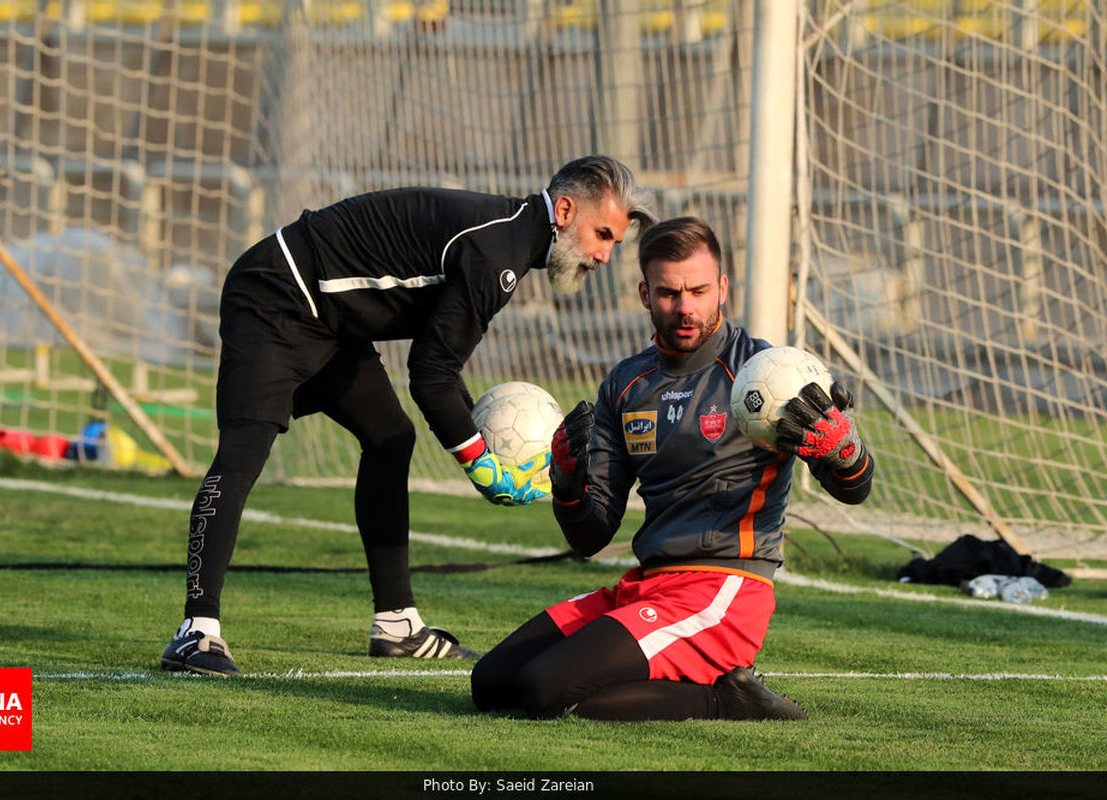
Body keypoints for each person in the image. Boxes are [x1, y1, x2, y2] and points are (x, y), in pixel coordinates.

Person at [160, 156, 656, 676]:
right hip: (276, 294)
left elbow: (438, 364)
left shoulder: (509, 243)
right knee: (244, 449)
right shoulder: (499, 254)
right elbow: (431, 374)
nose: (603, 256)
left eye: (613, 244)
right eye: (603, 235)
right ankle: (196, 632)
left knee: (390, 437)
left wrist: (476, 435)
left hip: (330, 321)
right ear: (565, 209)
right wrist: (484, 468)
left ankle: (397, 626)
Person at [470, 216, 875, 720]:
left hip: (723, 589)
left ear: (722, 288)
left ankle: (726, 697)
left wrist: (845, 453)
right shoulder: (626, 384)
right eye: (668, 293)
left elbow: (853, 488)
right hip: (647, 584)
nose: (685, 307)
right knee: (489, 683)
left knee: (542, 689)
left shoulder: (768, 375)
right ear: (644, 293)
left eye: (698, 290)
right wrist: (568, 485)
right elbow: (590, 536)